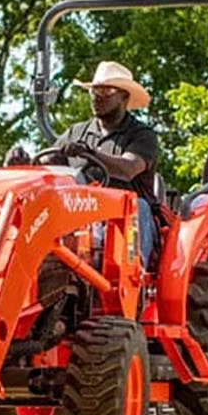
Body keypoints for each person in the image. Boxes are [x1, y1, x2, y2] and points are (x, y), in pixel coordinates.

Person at [54, 59, 161, 267]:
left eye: (105, 92)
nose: (96, 98)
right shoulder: (76, 132)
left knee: (136, 206)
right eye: (94, 92)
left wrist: (90, 153)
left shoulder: (142, 135)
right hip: (81, 213)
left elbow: (129, 169)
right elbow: (51, 162)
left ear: (124, 97)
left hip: (124, 212)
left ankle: (132, 274)